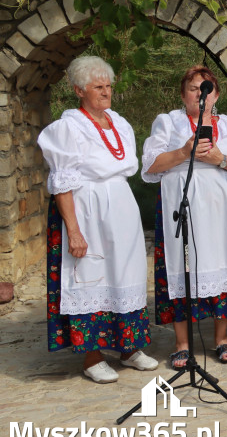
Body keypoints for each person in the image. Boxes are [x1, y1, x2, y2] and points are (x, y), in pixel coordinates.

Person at [38, 56, 158, 384]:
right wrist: (73, 231)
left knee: (125, 272)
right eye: (98, 87)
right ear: (79, 90)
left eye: (108, 86)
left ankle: (128, 347)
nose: (106, 93)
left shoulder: (118, 122)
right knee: (90, 274)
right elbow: (62, 182)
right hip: (86, 207)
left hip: (120, 205)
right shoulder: (68, 128)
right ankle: (92, 356)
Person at [143, 66, 227, 366]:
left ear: (216, 94)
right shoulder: (169, 122)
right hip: (182, 204)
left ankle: (221, 338)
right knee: (182, 263)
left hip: (223, 207)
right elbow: (151, 166)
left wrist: (221, 159)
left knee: (223, 261)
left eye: (206, 88)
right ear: (183, 94)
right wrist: (183, 152)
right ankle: (181, 342)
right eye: (193, 88)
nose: (200, 94)